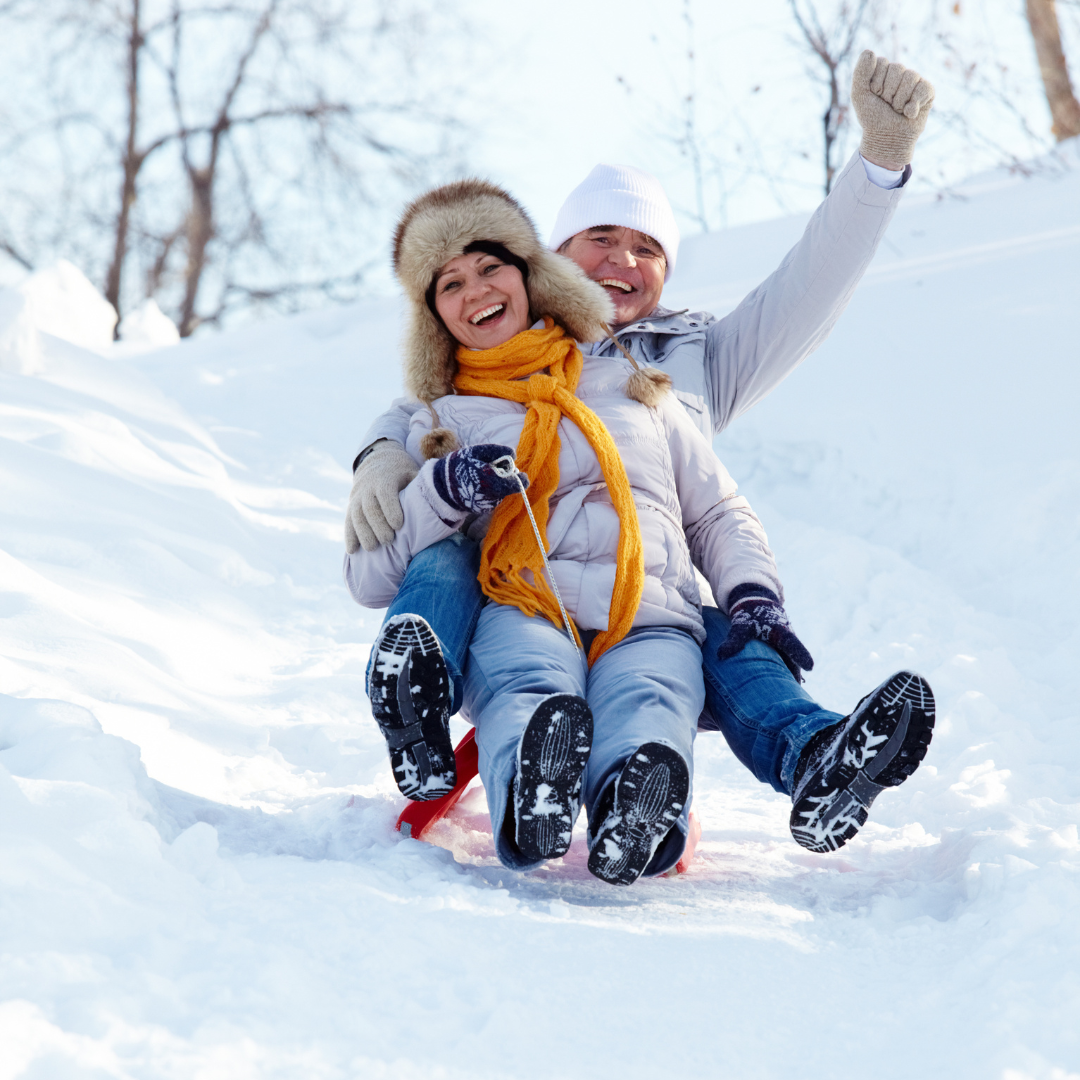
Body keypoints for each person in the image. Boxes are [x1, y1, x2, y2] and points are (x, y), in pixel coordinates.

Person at [346, 51, 938, 855]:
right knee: (515, 646)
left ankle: (753, 770)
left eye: (648, 249)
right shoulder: (479, 358)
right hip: (522, 590)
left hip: (647, 597)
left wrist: (877, 168)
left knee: (718, 640)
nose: (625, 261)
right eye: (602, 239)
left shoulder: (684, 365)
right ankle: (518, 772)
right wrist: (382, 453)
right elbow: (423, 406)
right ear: (549, 257)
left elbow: (808, 290)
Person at [346, 178, 804, 884]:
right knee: (528, 687)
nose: (476, 291)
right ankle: (530, 797)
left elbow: (717, 507)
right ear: (434, 317)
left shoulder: (637, 385)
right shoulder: (441, 415)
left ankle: (638, 810)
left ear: (532, 277)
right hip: (528, 602)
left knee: (651, 697)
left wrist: (753, 592)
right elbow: (372, 573)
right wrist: (436, 485)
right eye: (450, 285)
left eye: (492, 267)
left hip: (645, 612)